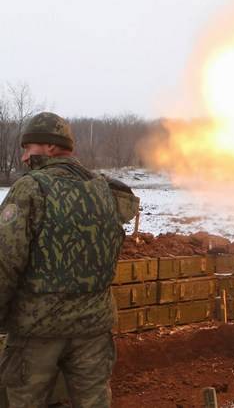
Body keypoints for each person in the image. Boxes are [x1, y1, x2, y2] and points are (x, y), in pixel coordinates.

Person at [0, 112, 139, 407]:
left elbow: (5, 260)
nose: (24, 158)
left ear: (50, 147)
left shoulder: (31, 188)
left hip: (37, 330)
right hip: (93, 328)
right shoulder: (104, 188)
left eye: (28, 148)